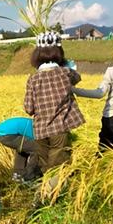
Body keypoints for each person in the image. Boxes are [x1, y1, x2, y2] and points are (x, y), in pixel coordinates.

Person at [24, 31, 85, 188]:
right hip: (59, 130)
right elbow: (77, 79)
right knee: (58, 168)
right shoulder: (66, 73)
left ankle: (46, 195)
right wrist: (67, 65)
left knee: (46, 169)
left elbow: (28, 108)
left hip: (40, 132)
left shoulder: (33, 79)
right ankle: (46, 199)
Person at [0, 117, 41, 182]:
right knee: (37, 149)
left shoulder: (34, 124)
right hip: (7, 134)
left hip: (0, 132)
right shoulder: (38, 130)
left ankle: (17, 176)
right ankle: (29, 177)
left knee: (23, 148)